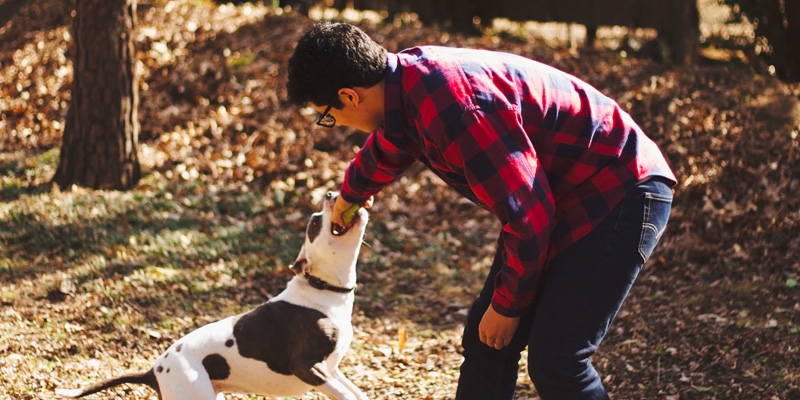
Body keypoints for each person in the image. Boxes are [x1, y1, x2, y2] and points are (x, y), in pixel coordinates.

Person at [286, 22, 676, 400]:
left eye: (328, 114)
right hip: (564, 195)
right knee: (485, 341)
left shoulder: (457, 110)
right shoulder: (407, 87)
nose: (334, 124)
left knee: (558, 360)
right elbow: (391, 145)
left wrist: (508, 307)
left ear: (350, 96)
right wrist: (349, 196)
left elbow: (528, 214)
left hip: (620, 188)